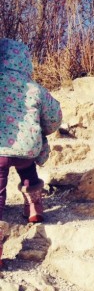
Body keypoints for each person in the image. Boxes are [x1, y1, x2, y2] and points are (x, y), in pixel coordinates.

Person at [0, 38, 62, 268]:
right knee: (28, 173)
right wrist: (41, 131)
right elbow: (54, 116)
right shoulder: (34, 88)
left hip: (0, 150)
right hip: (27, 149)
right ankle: (34, 208)